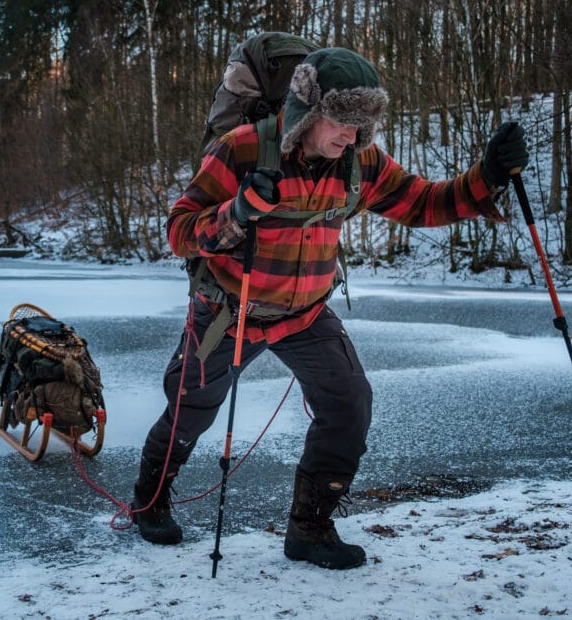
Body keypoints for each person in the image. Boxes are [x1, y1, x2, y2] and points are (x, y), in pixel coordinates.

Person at [130, 47, 529, 570]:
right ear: (309, 111)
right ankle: (150, 498)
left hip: (305, 315)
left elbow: (424, 202)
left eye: (363, 126)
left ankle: (310, 527)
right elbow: (179, 232)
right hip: (232, 310)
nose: (352, 137)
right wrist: (238, 212)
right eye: (343, 122)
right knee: (189, 410)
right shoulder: (242, 150)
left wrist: (488, 176)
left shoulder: (360, 162)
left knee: (349, 404)